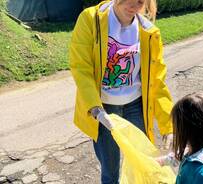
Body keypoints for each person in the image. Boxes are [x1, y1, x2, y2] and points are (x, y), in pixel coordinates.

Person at [69, 0, 173, 183]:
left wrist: (168, 127)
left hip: (135, 106)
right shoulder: (90, 19)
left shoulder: (149, 32)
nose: (133, 6)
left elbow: (157, 82)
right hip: (103, 109)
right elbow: (81, 67)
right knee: (110, 170)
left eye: (140, 2)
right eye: (129, 0)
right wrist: (95, 108)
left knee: (144, 164)